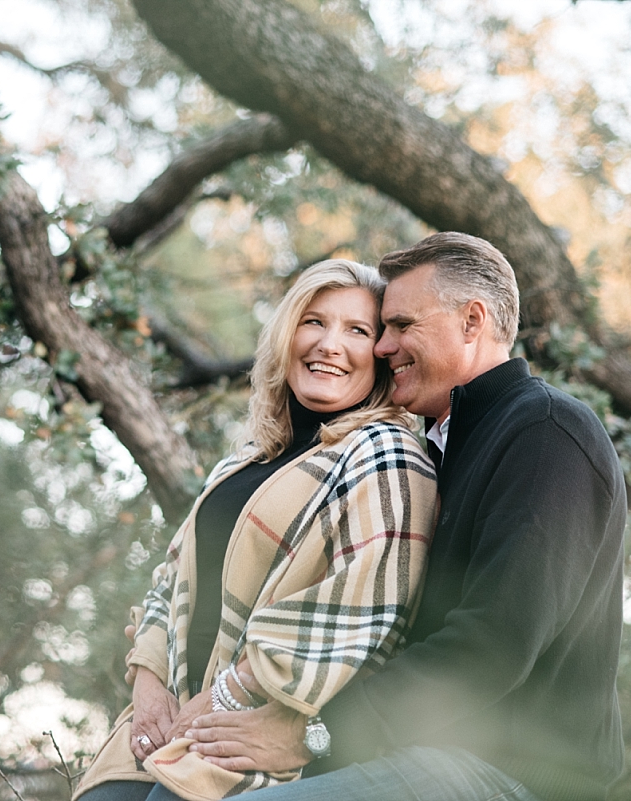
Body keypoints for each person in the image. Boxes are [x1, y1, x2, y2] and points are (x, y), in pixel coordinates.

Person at [177, 232, 628, 801]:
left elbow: (492, 643)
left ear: (472, 321)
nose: (384, 347)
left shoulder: (545, 433)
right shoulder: (446, 448)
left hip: (511, 776)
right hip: (416, 754)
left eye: (401, 326)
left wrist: (317, 735)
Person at [75, 260, 438, 801]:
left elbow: (364, 613)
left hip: (246, 742)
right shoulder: (245, 460)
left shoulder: (385, 455)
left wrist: (225, 695)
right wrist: (148, 683)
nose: (330, 345)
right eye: (314, 321)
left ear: (381, 354)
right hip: (165, 722)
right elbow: (170, 580)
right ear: (287, 332)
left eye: (358, 331)